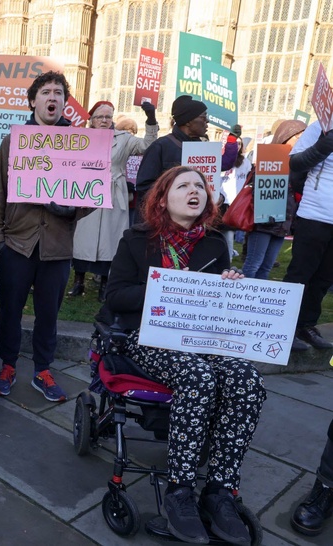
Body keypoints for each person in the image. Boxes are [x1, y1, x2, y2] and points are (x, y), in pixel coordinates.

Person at [101, 166, 266, 545]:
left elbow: (219, 308)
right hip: (147, 335)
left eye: (200, 186)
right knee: (198, 377)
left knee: (247, 379)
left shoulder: (214, 243)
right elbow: (115, 297)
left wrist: (230, 288)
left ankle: (220, 491)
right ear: (162, 198)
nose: (195, 190)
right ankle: (180, 491)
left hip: (202, 337)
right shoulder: (136, 240)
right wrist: (166, 288)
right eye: (183, 185)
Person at [0, 70, 91, 403]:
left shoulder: (79, 142)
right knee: (11, 309)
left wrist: (68, 209)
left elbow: (90, 194)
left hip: (57, 247)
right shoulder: (13, 140)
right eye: (46, 92)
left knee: (49, 313)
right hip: (16, 243)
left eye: (59, 92)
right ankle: (7, 365)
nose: (52, 97)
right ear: (33, 100)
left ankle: (43, 370)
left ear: (64, 102)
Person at [68, 100, 159, 301]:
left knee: (110, 239)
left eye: (108, 117)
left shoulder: (124, 138)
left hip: (113, 191)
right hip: (87, 191)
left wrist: (151, 120)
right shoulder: (80, 138)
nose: (104, 120)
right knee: (83, 237)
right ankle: (78, 281)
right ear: (91, 120)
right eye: (99, 117)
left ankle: (104, 284)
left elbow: (148, 145)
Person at [134, 95, 240, 221]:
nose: (207, 121)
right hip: (166, 222)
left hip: (194, 222)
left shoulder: (202, 147)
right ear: (188, 121)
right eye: (203, 117)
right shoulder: (161, 146)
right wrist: (173, 201)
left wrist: (232, 140)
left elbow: (223, 164)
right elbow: (144, 186)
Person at [282, 120, 333, 350]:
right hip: (315, 214)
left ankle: (306, 326)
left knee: (324, 277)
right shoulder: (321, 126)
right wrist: (324, 145)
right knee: (300, 273)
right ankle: (283, 328)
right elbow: (296, 163)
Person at [241, 121, 304, 281]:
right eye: (298, 137)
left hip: (283, 222)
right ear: (286, 136)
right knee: (253, 264)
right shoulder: (269, 159)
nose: (301, 141)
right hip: (265, 222)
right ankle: (240, 299)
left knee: (266, 266)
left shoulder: (298, 162)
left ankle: (258, 300)